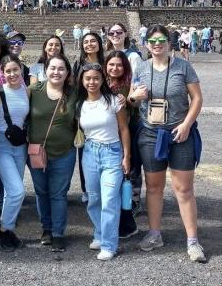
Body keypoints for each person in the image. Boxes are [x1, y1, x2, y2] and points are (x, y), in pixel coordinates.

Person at [127, 25, 206, 263]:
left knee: (183, 189)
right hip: (150, 133)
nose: (157, 44)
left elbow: (197, 98)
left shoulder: (183, 66)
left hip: (178, 134)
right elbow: (132, 99)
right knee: (153, 187)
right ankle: (154, 234)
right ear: (146, 44)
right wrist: (133, 97)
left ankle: (193, 241)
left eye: (161, 40)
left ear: (169, 42)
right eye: (152, 41)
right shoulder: (141, 67)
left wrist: (186, 125)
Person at [77, 62, 131, 260]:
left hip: (112, 151)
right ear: (82, 81)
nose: (92, 82)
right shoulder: (79, 103)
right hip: (90, 152)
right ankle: (99, 233)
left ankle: (109, 244)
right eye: (88, 78)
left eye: (96, 78)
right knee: (94, 198)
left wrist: (127, 156)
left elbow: (124, 129)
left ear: (102, 80)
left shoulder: (113, 100)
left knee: (109, 199)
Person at [28, 54, 77, 252]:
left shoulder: (74, 93)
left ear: (67, 73)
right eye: (52, 68)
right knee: (41, 192)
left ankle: (58, 233)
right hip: (36, 151)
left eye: (61, 69)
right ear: (45, 70)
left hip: (64, 152)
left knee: (58, 194)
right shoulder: (34, 90)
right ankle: (46, 229)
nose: (56, 72)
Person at [0, 55, 29, 251]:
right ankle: (3, 229)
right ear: (3, 73)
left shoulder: (26, 91)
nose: (12, 74)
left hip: (20, 146)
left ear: (21, 69)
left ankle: (7, 229)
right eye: (8, 71)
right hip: (1, 144)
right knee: (17, 190)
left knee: (11, 193)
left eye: (15, 70)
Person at [104, 50, 140, 237]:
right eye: (111, 64)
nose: (115, 68)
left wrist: (130, 100)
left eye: (119, 65)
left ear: (125, 67)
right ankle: (115, 221)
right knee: (112, 183)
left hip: (125, 135)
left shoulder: (129, 84)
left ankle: (126, 222)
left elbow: (135, 102)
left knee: (123, 179)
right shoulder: (102, 83)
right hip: (106, 137)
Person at [72, 31, 105, 202]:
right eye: (86, 42)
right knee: (84, 148)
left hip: (104, 107)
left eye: (93, 41)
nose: (89, 44)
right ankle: (86, 188)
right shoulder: (78, 63)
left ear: (99, 44)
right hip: (84, 108)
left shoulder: (106, 63)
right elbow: (73, 87)